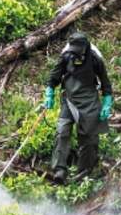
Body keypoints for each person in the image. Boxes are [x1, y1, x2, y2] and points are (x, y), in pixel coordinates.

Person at [44, 32, 113, 184]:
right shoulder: (66, 55)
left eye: (78, 50)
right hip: (69, 99)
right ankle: (60, 169)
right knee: (62, 131)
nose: (75, 53)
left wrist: (107, 102)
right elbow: (53, 77)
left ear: (85, 47)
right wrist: (49, 92)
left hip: (89, 100)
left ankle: (84, 171)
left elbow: (105, 83)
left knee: (89, 136)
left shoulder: (95, 58)